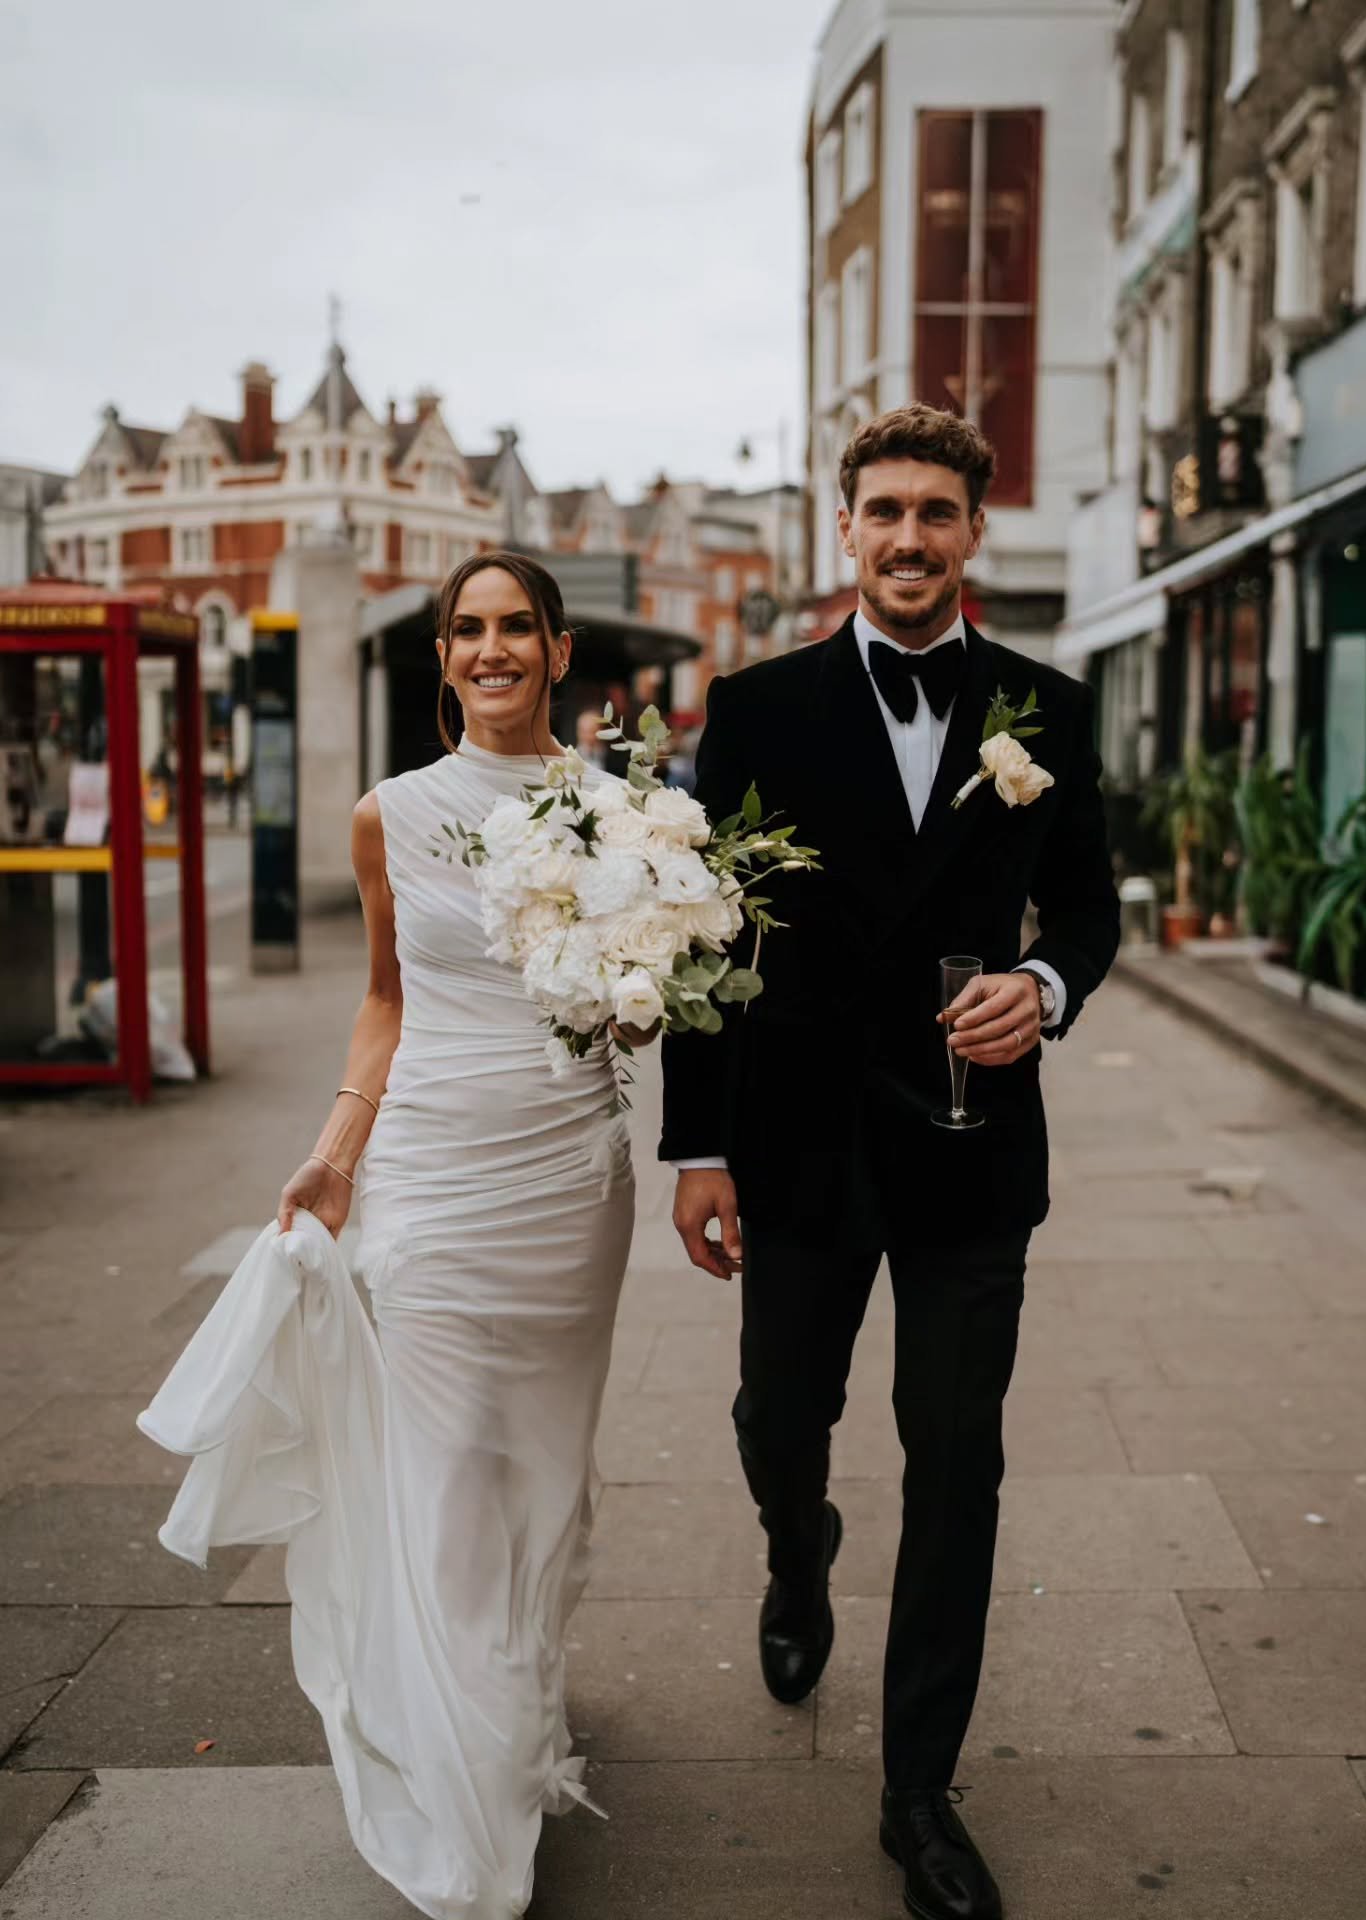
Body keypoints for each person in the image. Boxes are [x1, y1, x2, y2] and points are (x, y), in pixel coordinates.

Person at [660, 407, 1119, 1920]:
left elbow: (1091, 916)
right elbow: (703, 937)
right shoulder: (756, 705)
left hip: (971, 1151)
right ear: (843, 530)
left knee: (958, 1456)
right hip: (794, 1141)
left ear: (973, 532)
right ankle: (799, 1552)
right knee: (779, 1417)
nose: (910, 538)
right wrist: (700, 1144)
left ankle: (919, 1789)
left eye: (938, 512)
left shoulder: (1047, 710)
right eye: (884, 513)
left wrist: (1042, 996)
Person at [143, 554, 643, 1920]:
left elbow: (645, 1007)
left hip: (566, 1182)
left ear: (557, 647)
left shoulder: (627, 813)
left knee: (540, 1466)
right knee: (441, 1481)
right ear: (442, 654)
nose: (491, 650)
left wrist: (649, 993)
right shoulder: (388, 817)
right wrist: (335, 1153)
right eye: (467, 630)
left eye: (514, 628)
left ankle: (520, 1685)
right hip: (427, 1181)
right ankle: (464, 1778)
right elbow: (384, 1000)